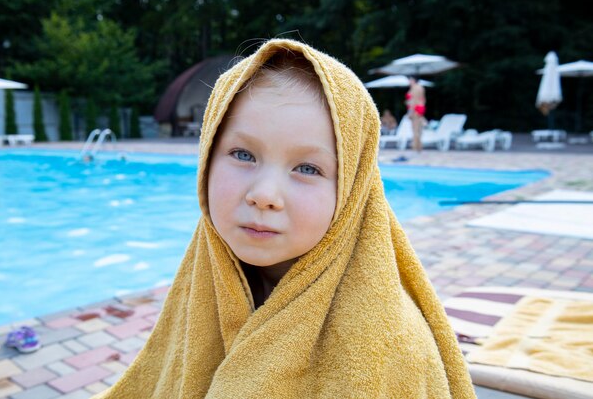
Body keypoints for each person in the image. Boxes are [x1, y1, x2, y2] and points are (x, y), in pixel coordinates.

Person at [93, 39, 475, 398]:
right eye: (243, 155)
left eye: (307, 168)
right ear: (207, 158)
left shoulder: (390, 348)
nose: (264, 195)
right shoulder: (203, 280)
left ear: (352, 192)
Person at [405, 76, 427, 152]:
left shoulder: (415, 88)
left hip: (415, 111)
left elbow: (413, 101)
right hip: (418, 110)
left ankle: (416, 147)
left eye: (410, 80)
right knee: (418, 129)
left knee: (415, 130)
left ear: (414, 80)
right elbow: (423, 100)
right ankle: (418, 146)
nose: (409, 82)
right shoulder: (420, 87)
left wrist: (410, 112)